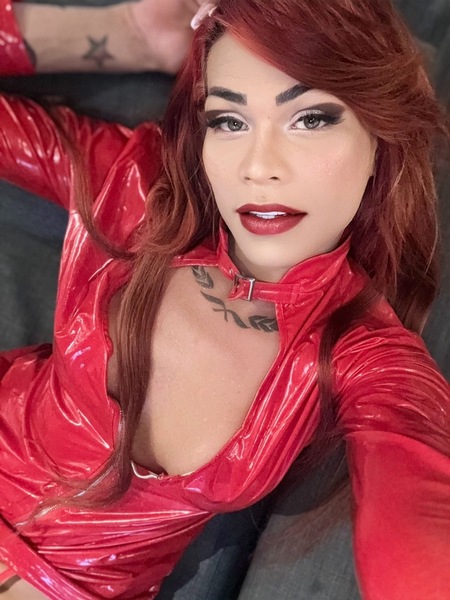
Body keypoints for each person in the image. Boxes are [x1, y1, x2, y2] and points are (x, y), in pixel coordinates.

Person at [0, 0, 449, 598]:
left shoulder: (369, 357)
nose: (258, 168)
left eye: (311, 118)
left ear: (379, 138)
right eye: (229, 121)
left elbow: (417, 526)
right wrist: (120, 34)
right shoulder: (140, 190)